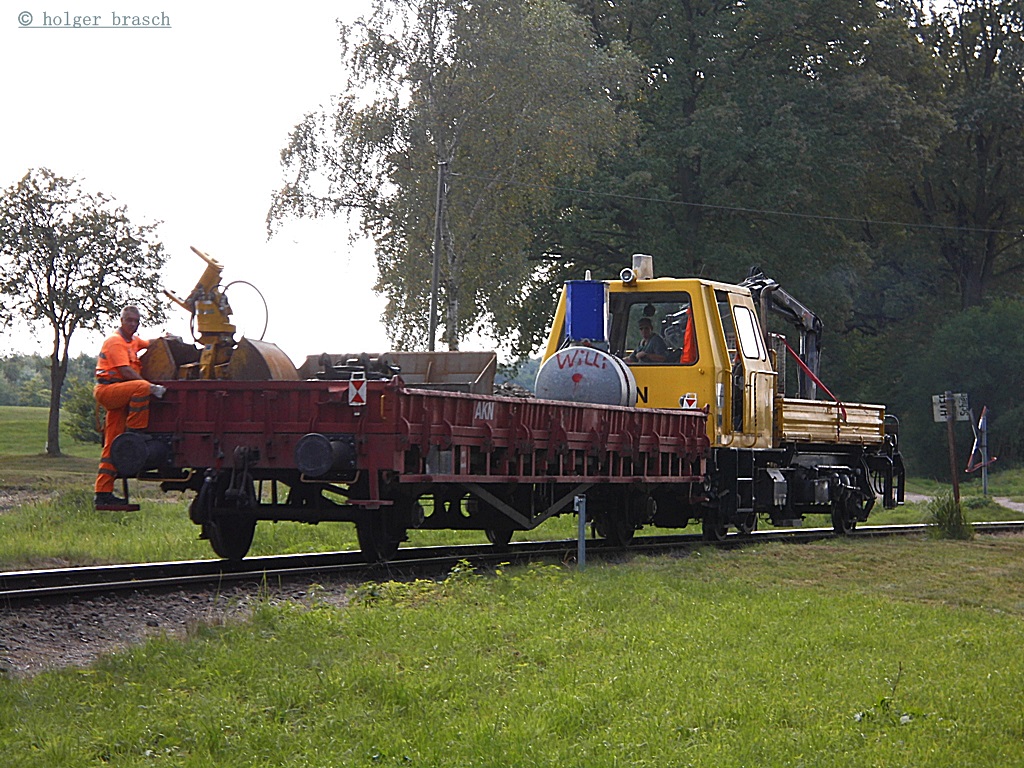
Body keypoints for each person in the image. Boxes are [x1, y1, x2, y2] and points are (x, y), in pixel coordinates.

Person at [93, 306, 166, 509]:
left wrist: (167, 339)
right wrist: (151, 387)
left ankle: (102, 493)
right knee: (142, 388)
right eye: (129, 321)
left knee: (111, 445)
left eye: (136, 321)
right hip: (109, 391)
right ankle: (136, 432)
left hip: (120, 395)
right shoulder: (115, 342)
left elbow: (149, 343)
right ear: (121, 320)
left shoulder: (132, 340)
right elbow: (125, 371)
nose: (133, 324)